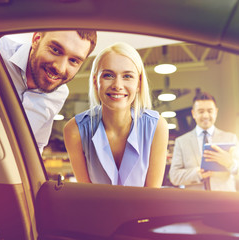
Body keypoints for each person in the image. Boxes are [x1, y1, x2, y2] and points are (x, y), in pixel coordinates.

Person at [63, 42, 168, 187]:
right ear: (95, 81)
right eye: (108, 75)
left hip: (145, 210)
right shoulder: (74, 131)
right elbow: (87, 197)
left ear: (138, 84)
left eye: (127, 76)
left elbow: (152, 197)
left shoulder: (156, 127)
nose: (117, 85)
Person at [0, 30, 97, 153]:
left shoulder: (59, 94)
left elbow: (36, 145)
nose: (60, 68)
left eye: (73, 61)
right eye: (55, 50)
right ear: (36, 39)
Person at [169, 92, 239, 191]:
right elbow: (174, 176)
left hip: (225, 201)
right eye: (201, 111)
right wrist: (197, 173)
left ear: (216, 112)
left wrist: (231, 164)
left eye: (210, 111)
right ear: (193, 113)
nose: (206, 115)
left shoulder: (231, 138)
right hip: (194, 203)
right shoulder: (181, 142)